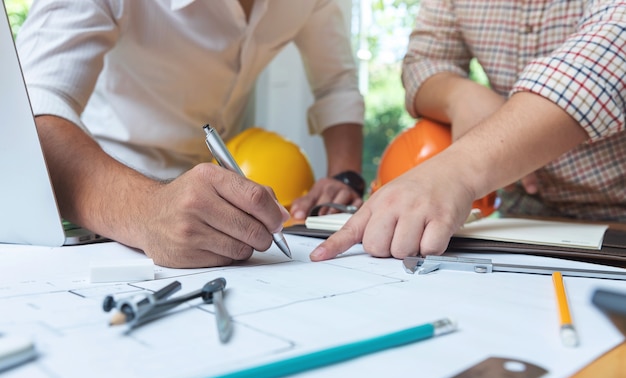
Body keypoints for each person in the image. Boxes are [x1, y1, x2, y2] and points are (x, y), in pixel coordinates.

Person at [15, 0, 365, 268]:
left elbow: (337, 85)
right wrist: (144, 209)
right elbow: (29, 108)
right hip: (106, 197)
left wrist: (343, 177)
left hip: (210, 199)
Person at [310, 0, 626, 262]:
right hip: (522, 224)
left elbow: (610, 53)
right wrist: (459, 96)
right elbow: (422, 63)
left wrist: (455, 172)